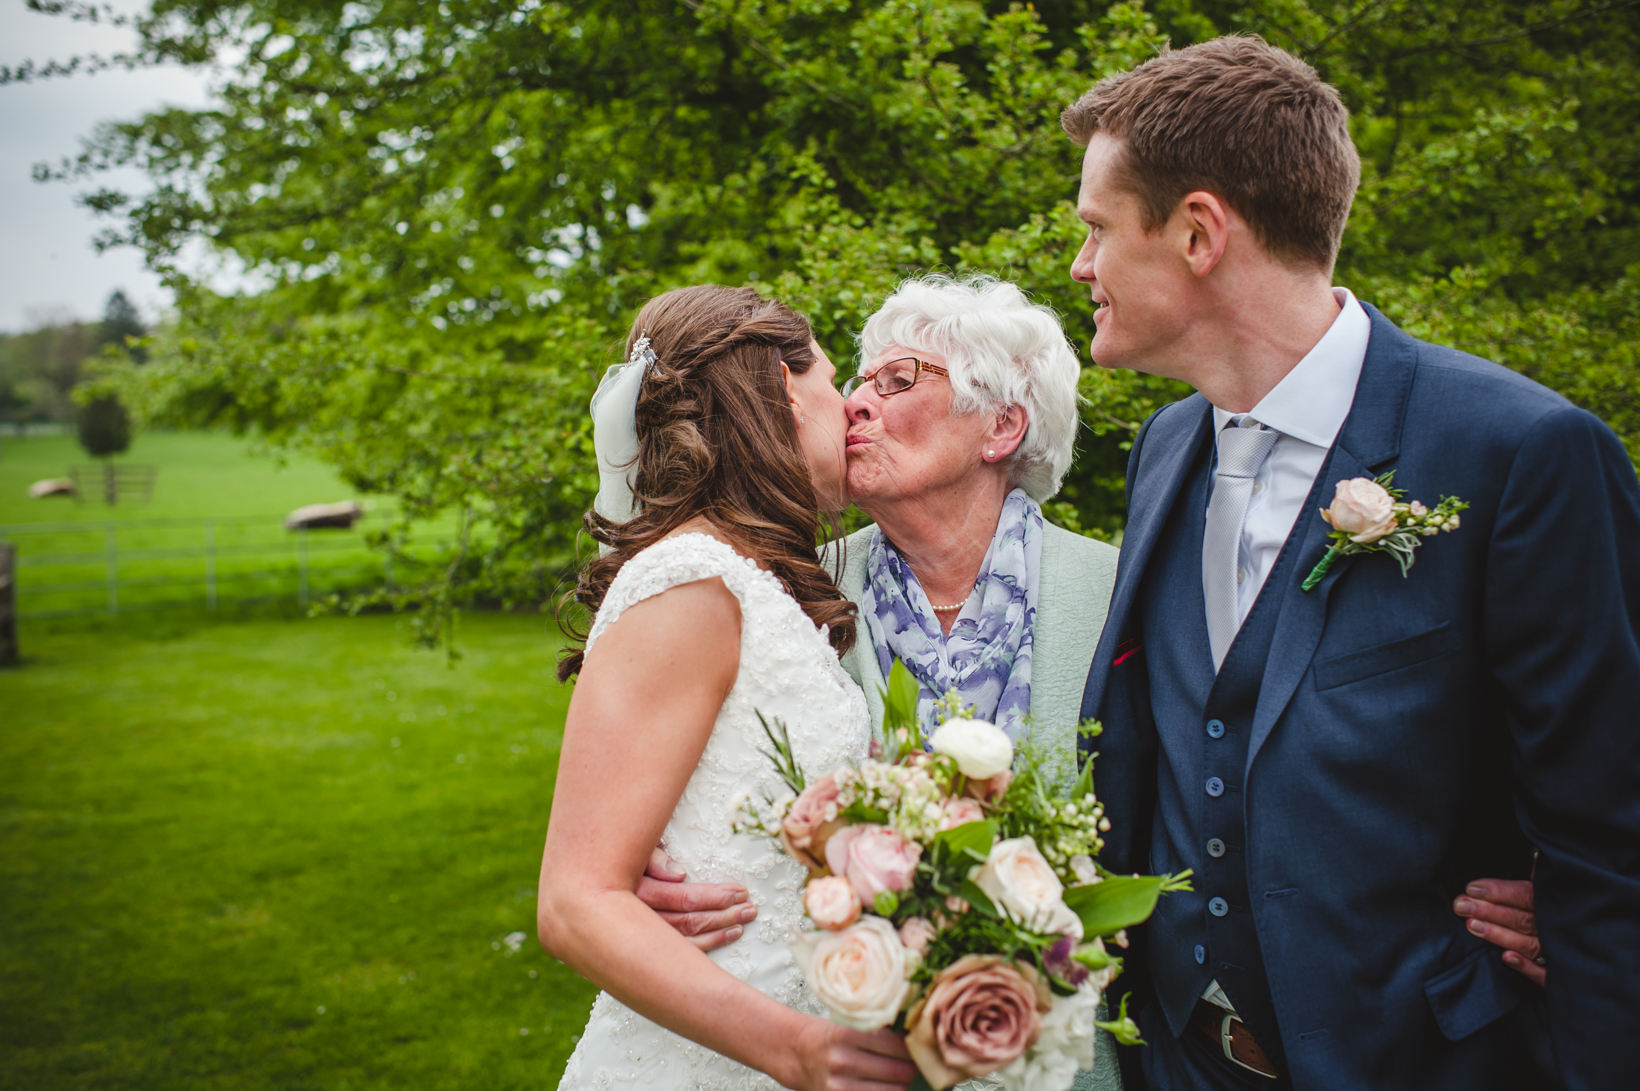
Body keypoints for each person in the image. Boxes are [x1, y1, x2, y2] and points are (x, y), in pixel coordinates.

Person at [1066, 36, 1640, 1091]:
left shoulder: (1519, 452)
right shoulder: (1162, 449)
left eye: (1096, 229)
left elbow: (1608, 822)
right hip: (1183, 1062)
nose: (1079, 266)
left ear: (1197, 232)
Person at [540, 285, 916, 1091]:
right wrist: (795, 1050)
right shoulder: (692, 581)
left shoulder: (757, 581)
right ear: (785, 386)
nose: (850, 405)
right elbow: (574, 902)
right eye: (834, 379)